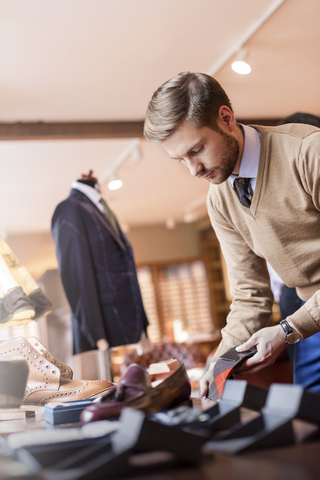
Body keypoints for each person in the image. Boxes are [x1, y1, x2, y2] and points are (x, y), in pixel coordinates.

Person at [144, 71, 320, 396]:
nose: (192, 170)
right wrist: (219, 362)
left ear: (226, 118)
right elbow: (250, 296)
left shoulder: (309, 153)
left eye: (196, 149)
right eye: (180, 159)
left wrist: (288, 328)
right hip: (311, 320)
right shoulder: (220, 199)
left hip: (304, 321)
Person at [51, 170, 150, 358]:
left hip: (126, 322)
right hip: (104, 327)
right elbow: (76, 276)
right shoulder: (69, 210)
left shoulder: (102, 208)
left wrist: (143, 325)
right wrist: (96, 333)